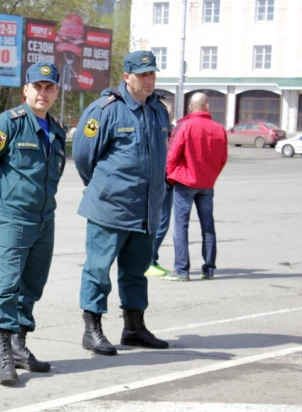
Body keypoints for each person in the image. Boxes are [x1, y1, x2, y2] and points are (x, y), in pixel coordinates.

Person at [0, 62, 67, 383]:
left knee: (32, 285)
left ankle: (20, 346)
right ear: (26, 90)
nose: (43, 92)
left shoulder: (57, 130)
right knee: (8, 285)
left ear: (55, 92)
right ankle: (4, 356)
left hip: (44, 219)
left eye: (49, 87)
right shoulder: (7, 124)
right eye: (37, 86)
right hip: (13, 217)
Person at [72, 50, 170, 356]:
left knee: (136, 271)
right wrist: (105, 188)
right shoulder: (105, 110)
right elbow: (83, 157)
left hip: (145, 209)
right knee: (98, 269)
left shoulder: (159, 111)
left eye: (152, 74)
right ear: (126, 76)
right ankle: (92, 329)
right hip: (111, 207)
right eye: (142, 75)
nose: (149, 80)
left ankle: (134, 327)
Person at [161, 92, 228, 282]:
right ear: (207, 107)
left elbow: (173, 154)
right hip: (207, 183)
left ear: (191, 108)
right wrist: (212, 175)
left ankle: (182, 270)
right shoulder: (219, 129)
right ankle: (209, 269)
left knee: (181, 227)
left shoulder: (186, 126)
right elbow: (223, 158)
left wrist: (169, 175)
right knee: (208, 226)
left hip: (185, 182)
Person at [145, 100, 175, 277]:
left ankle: (151, 259)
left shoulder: (168, 130)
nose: (170, 116)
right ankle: (148, 261)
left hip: (164, 180)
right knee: (160, 223)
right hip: (162, 181)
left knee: (159, 223)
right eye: (168, 113)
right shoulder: (159, 131)